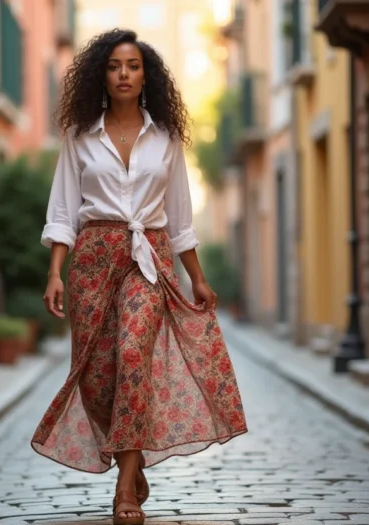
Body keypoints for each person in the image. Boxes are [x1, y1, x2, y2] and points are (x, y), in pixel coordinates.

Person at [30, 28, 247, 525]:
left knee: (133, 356)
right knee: (96, 376)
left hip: (148, 257)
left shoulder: (166, 138)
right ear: (101, 77)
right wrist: (55, 273)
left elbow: (180, 217)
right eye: (113, 66)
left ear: (146, 75)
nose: (123, 74)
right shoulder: (79, 135)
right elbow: (63, 209)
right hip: (92, 259)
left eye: (132, 65)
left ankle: (125, 487)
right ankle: (133, 456)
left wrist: (198, 277)